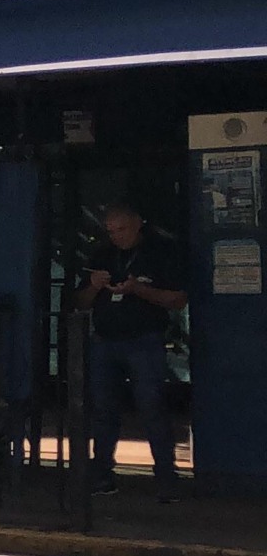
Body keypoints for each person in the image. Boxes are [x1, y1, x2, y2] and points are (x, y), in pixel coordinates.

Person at [76, 203, 186, 500]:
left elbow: (178, 300)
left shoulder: (160, 252)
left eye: (121, 230)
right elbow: (81, 303)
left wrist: (138, 290)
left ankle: (166, 477)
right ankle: (102, 474)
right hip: (104, 341)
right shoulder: (101, 255)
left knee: (151, 408)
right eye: (110, 231)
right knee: (103, 410)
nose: (115, 237)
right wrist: (95, 287)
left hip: (144, 341)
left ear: (138, 224)